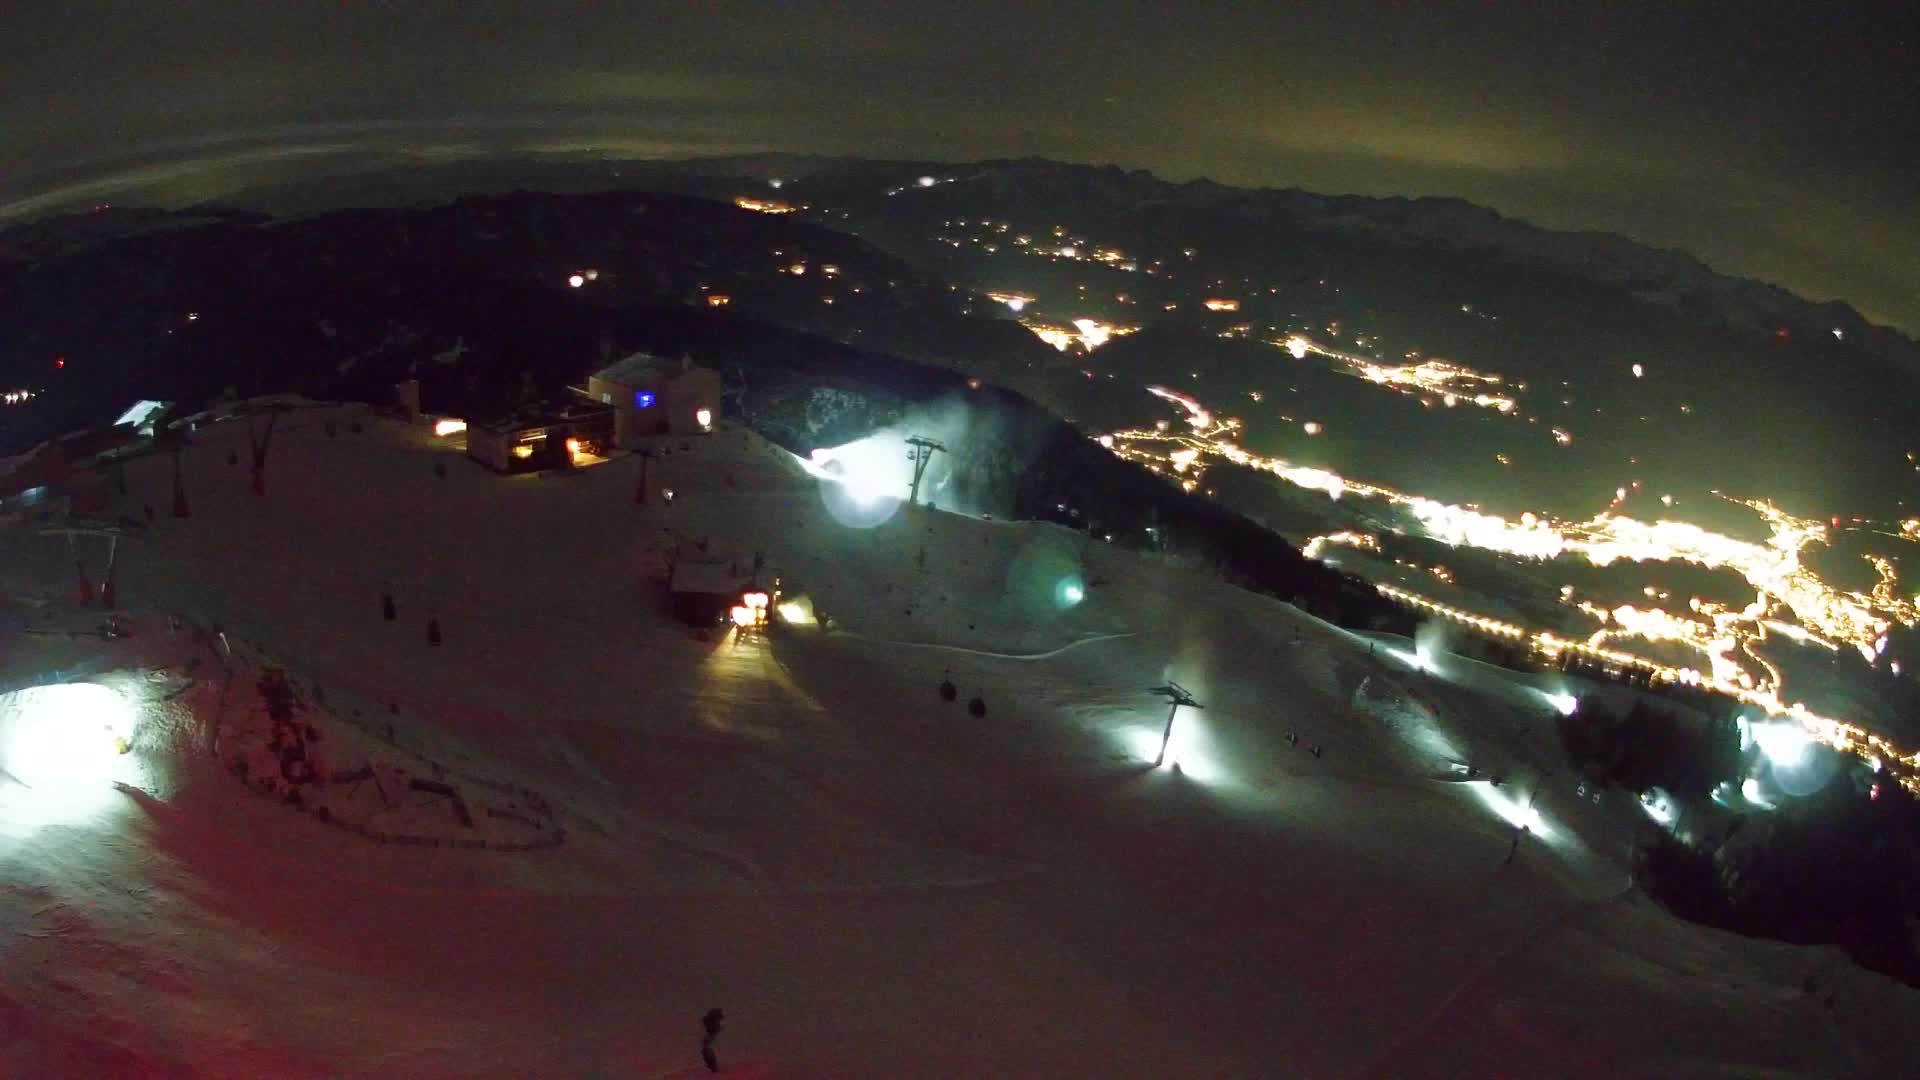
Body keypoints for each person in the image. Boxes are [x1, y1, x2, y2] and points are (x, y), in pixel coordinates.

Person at [701, 1007, 725, 1073]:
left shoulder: (714, 1026)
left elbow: (712, 1029)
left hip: (709, 1039)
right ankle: (713, 1067)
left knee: (706, 1049)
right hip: (709, 1039)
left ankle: (713, 1067)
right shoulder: (714, 1026)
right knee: (706, 1049)